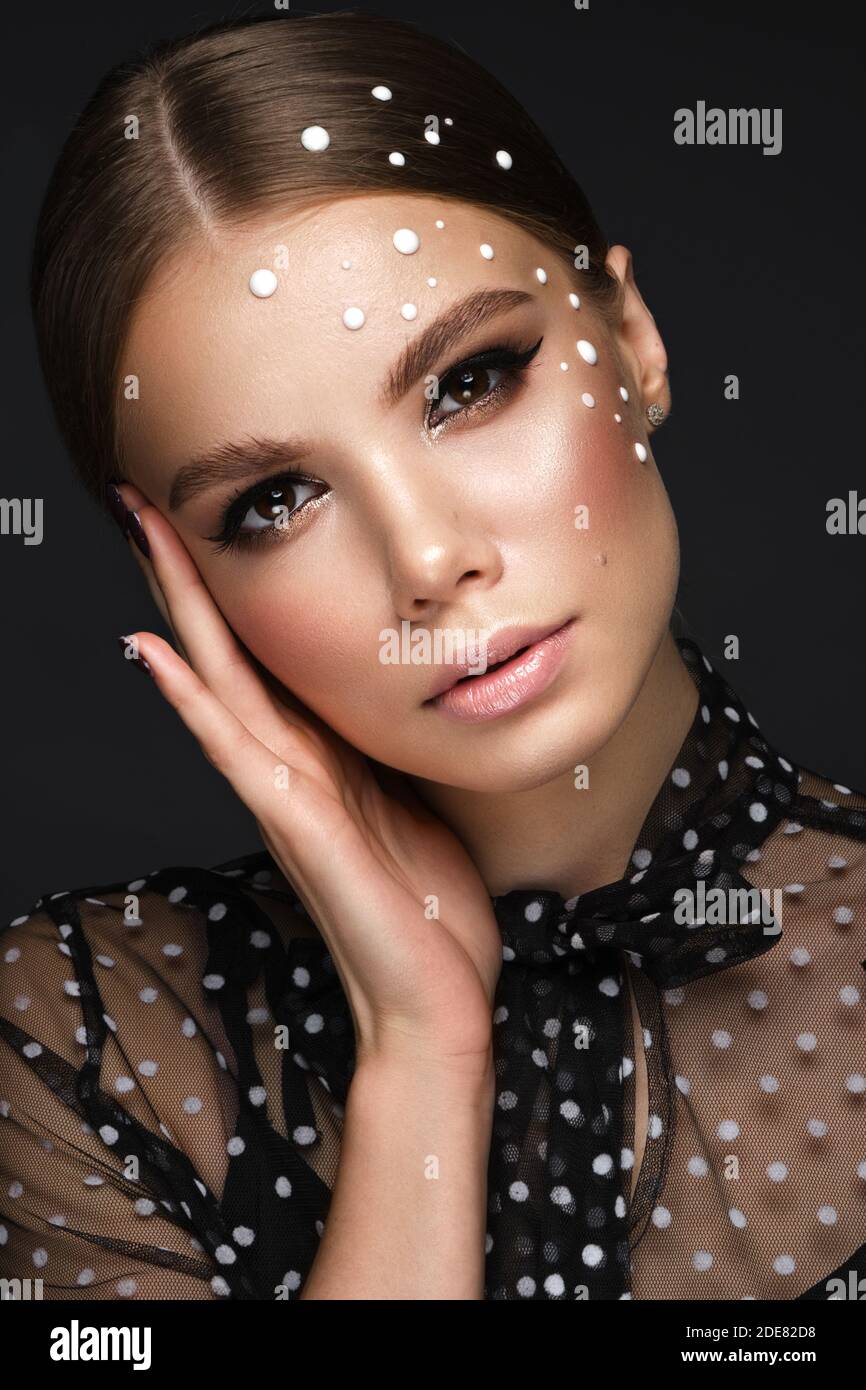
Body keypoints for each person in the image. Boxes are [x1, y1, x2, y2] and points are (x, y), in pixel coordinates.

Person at [2, 10, 864, 1302]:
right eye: (274, 499)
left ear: (632, 338)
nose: (425, 560)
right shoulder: (81, 1037)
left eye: (469, 380)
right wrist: (422, 1053)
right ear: (177, 578)